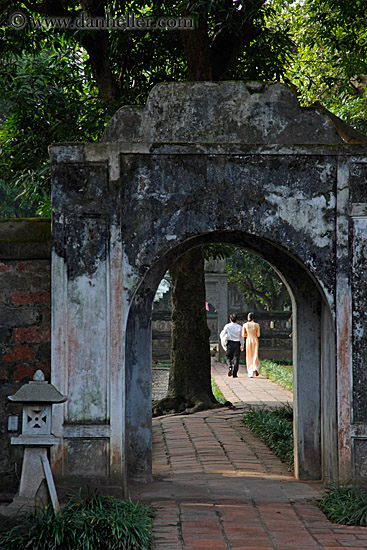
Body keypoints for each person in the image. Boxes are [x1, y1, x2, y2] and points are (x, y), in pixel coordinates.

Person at [220, 313, 244, 378]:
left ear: (230, 319)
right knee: (236, 358)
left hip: (230, 343)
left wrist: (224, 340)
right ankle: (235, 373)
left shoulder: (227, 326)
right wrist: (242, 345)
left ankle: (230, 367)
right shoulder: (240, 327)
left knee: (228, 357)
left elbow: (222, 334)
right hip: (237, 343)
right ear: (237, 320)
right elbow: (242, 337)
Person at [241, 312, 260, 378]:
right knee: (255, 354)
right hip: (255, 340)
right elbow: (258, 335)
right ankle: (255, 367)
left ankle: (250, 372)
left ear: (248, 317)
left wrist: (248, 335)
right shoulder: (257, 325)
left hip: (248, 339)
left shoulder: (245, 325)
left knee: (249, 355)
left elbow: (243, 335)